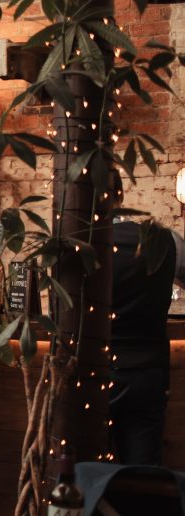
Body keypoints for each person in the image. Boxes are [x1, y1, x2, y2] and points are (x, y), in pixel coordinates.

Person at [109, 181, 180, 466]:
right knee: (143, 472)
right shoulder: (165, 239)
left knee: (85, 470)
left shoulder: (75, 246)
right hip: (147, 373)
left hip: (92, 374)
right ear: (120, 194)